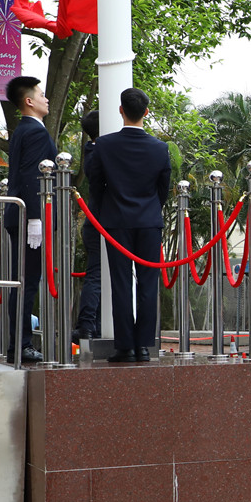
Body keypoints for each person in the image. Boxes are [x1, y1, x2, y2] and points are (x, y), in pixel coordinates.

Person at [84, 88, 171, 363]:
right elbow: (163, 189)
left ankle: (125, 347)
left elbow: (95, 185)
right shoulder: (160, 148)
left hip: (116, 220)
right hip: (149, 222)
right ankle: (144, 346)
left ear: (121, 110)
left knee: (120, 283)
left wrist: (106, 211)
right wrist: (151, 208)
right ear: (146, 112)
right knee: (148, 284)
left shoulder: (104, 145)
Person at [2, 76, 57, 363]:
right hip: (29, 218)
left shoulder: (25, 129)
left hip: (22, 215)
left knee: (24, 280)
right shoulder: (35, 132)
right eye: (41, 94)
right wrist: (36, 217)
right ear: (29, 101)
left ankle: (18, 343)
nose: (46, 99)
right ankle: (21, 344)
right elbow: (31, 175)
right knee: (27, 281)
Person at [72, 110, 102, 342]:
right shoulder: (96, 151)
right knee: (96, 275)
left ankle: (95, 325)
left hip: (97, 221)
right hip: (99, 222)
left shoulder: (93, 150)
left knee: (99, 276)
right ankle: (87, 325)